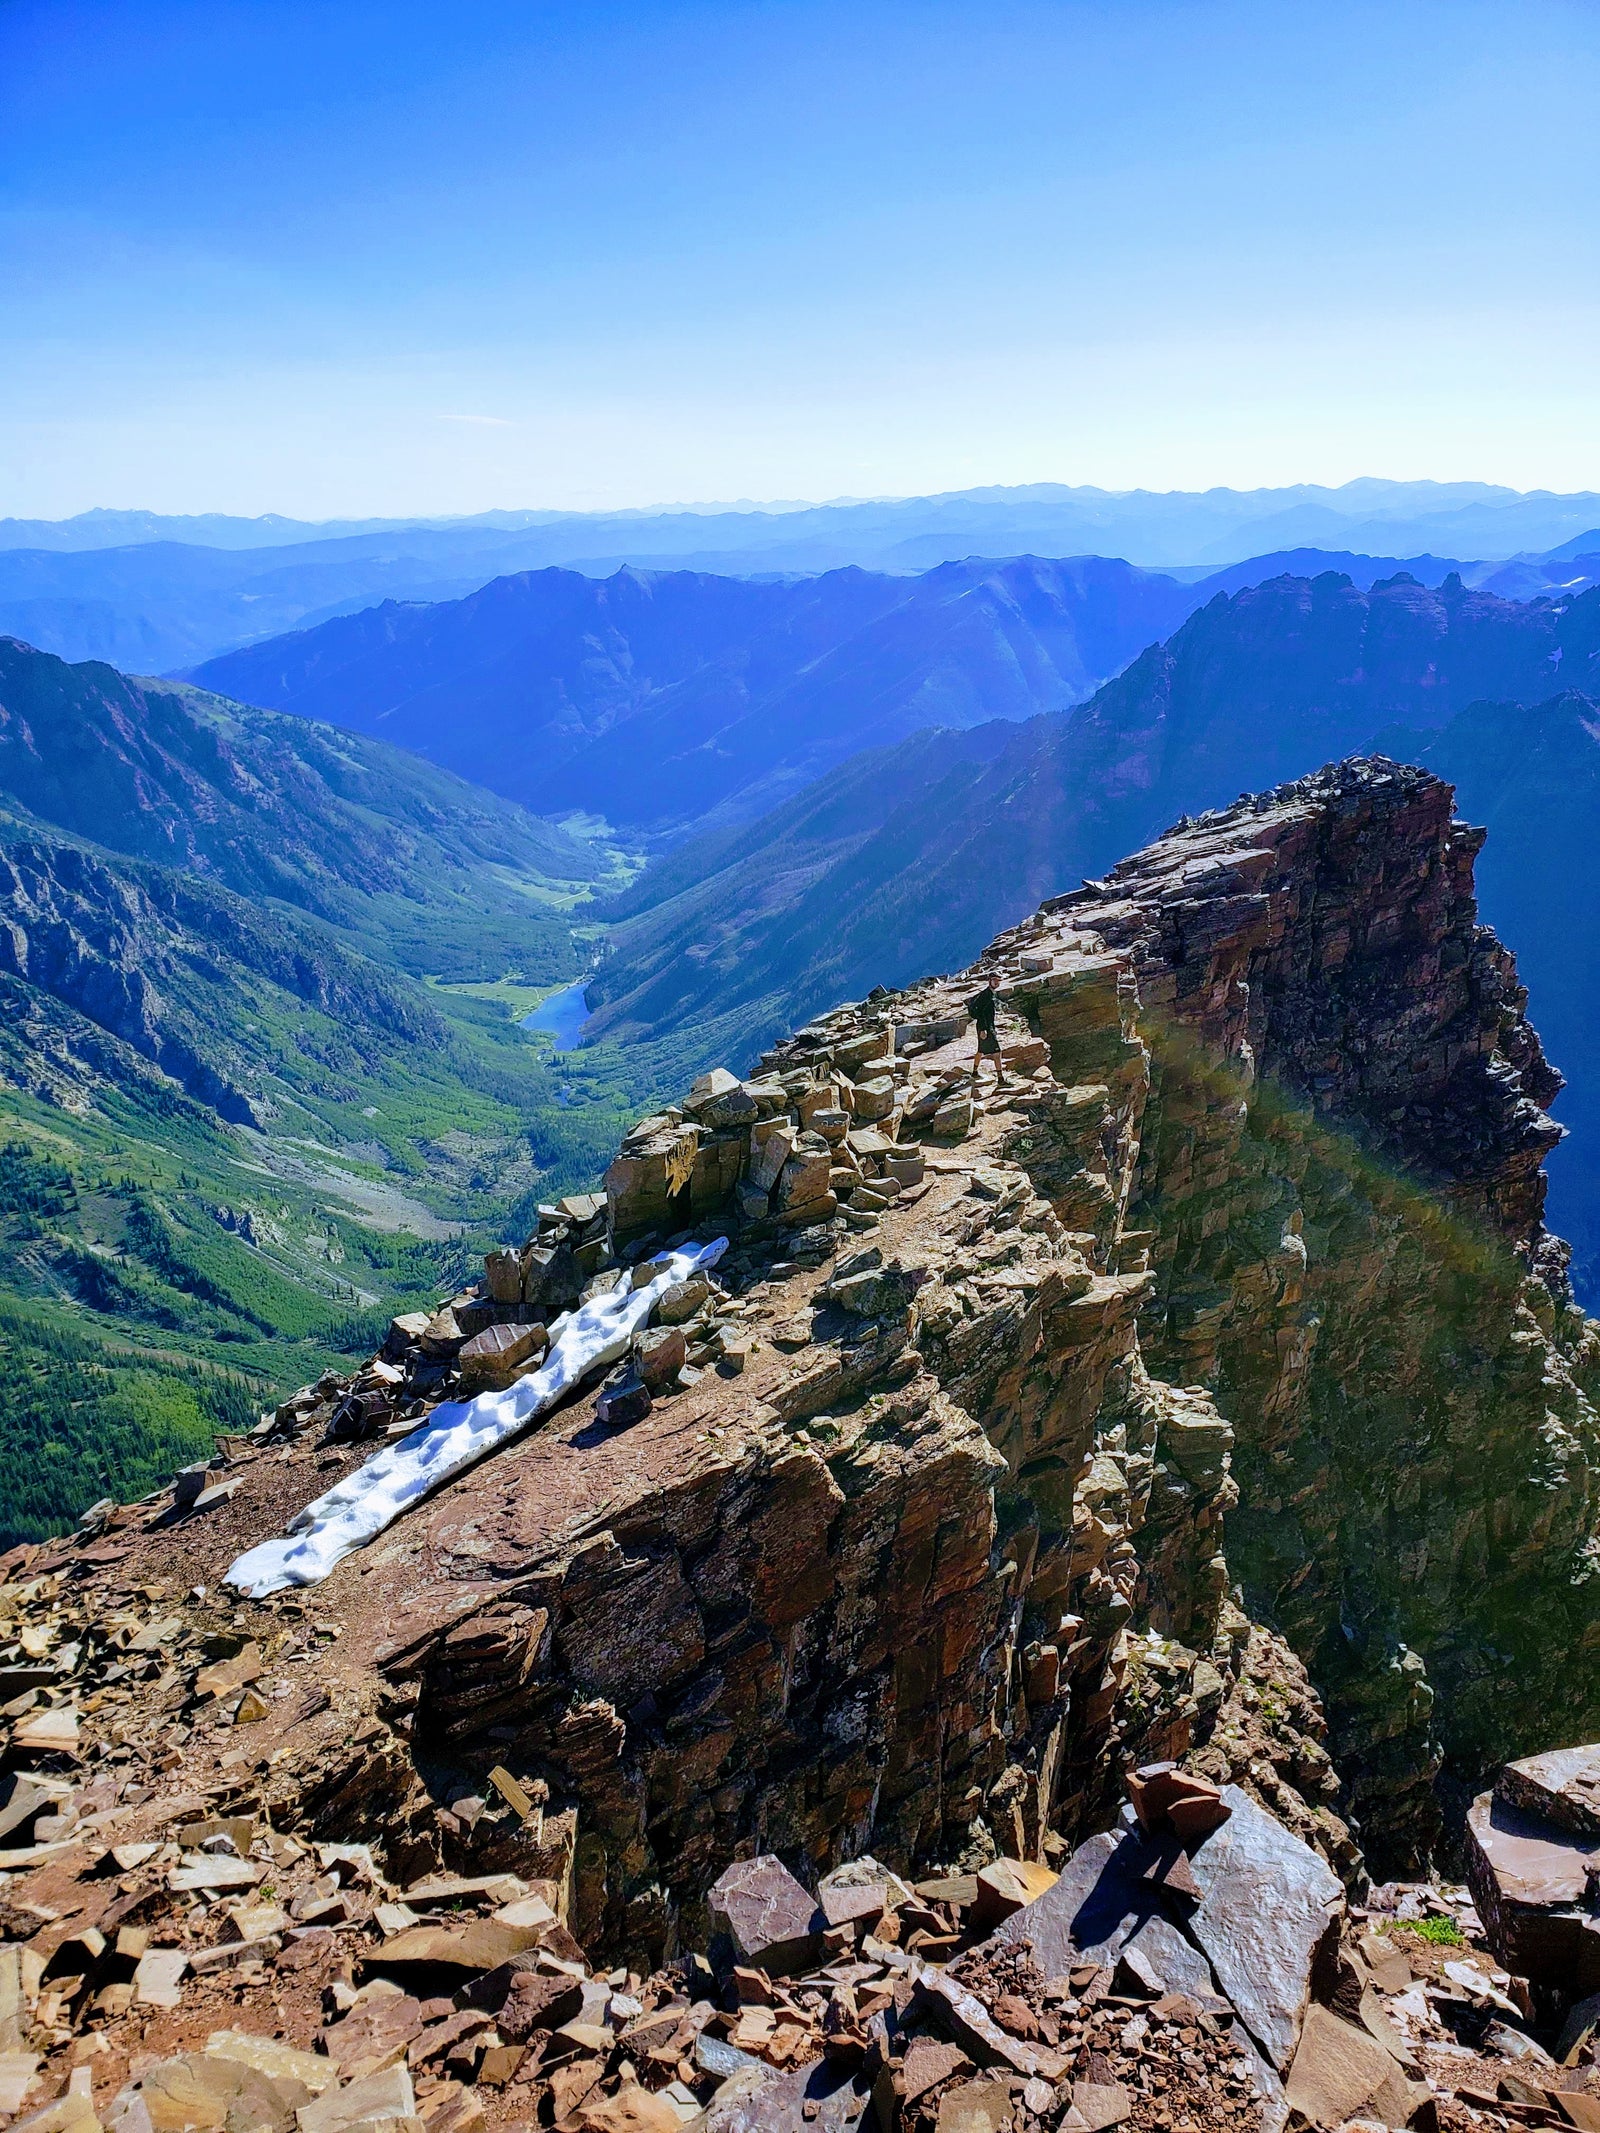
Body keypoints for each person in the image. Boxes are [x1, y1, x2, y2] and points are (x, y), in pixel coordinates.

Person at [966, 981, 1007, 1090]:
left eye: (998, 980)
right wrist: (984, 1029)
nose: (997, 982)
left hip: (985, 1026)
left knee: (981, 1050)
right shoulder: (986, 995)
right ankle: (1001, 1080)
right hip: (985, 1028)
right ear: (990, 981)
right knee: (997, 1052)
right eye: (994, 980)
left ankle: (974, 1072)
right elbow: (981, 1012)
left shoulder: (989, 993)